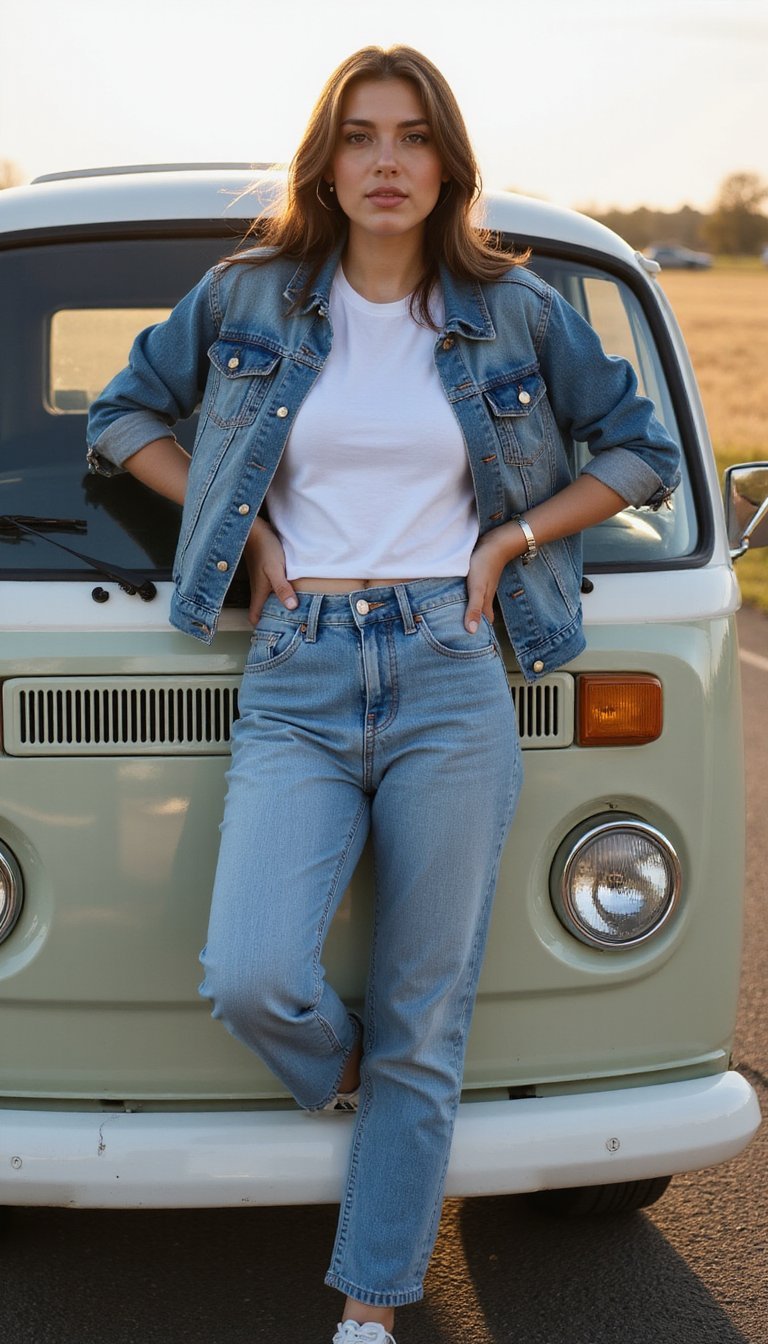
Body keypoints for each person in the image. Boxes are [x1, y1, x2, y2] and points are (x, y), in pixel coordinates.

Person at [86, 44, 680, 1344]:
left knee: (428, 1005)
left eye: (412, 136)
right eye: (361, 136)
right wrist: (243, 528)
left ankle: (370, 1310)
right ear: (329, 159)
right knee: (249, 974)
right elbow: (121, 418)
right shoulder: (248, 296)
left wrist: (510, 542)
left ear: (447, 160)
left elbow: (639, 449)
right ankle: (370, 1075)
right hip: (296, 669)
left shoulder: (514, 311)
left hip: (450, 671)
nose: (388, 161)